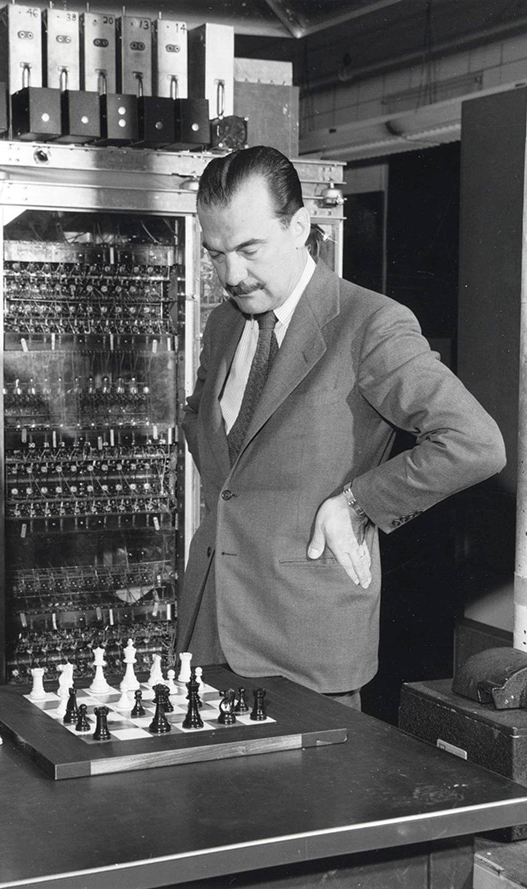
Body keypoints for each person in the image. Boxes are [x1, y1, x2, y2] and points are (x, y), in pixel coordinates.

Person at [179, 146, 505, 708]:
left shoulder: (369, 324)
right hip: (208, 628)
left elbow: (475, 443)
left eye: (249, 250)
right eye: (216, 254)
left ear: (300, 227)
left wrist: (357, 502)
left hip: (305, 644)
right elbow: (206, 428)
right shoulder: (224, 324)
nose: (231, 275)